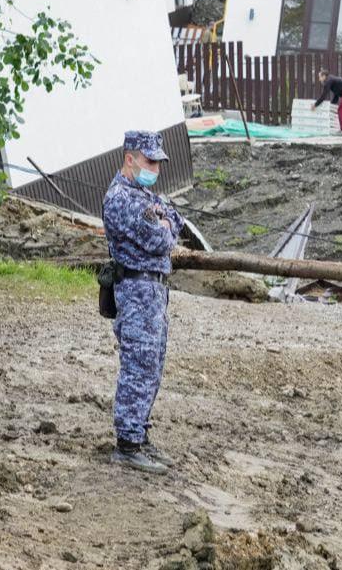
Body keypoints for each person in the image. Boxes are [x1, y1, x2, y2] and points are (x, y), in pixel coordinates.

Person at [102, 130, 185, 475]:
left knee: (152, 364)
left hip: (153, 292)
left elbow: (176, 220)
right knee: (138, 366)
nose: (156, 167)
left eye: (158, 162)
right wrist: (164, 223)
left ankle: (140, 433)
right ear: (130, 158)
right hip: (136, 290)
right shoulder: (123, 197)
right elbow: (160, 238)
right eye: (150, 160)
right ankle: (128, 443)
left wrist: (166, 219)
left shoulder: (143, 193)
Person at [312, 69, 342, 134]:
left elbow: (323, 96)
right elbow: (336, 96)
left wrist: (315, 105)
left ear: (324, 76)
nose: (319, 79)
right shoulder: (332, 79)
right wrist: (331, 106)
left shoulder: (328, 81)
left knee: (341, 110)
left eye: (320, 77)